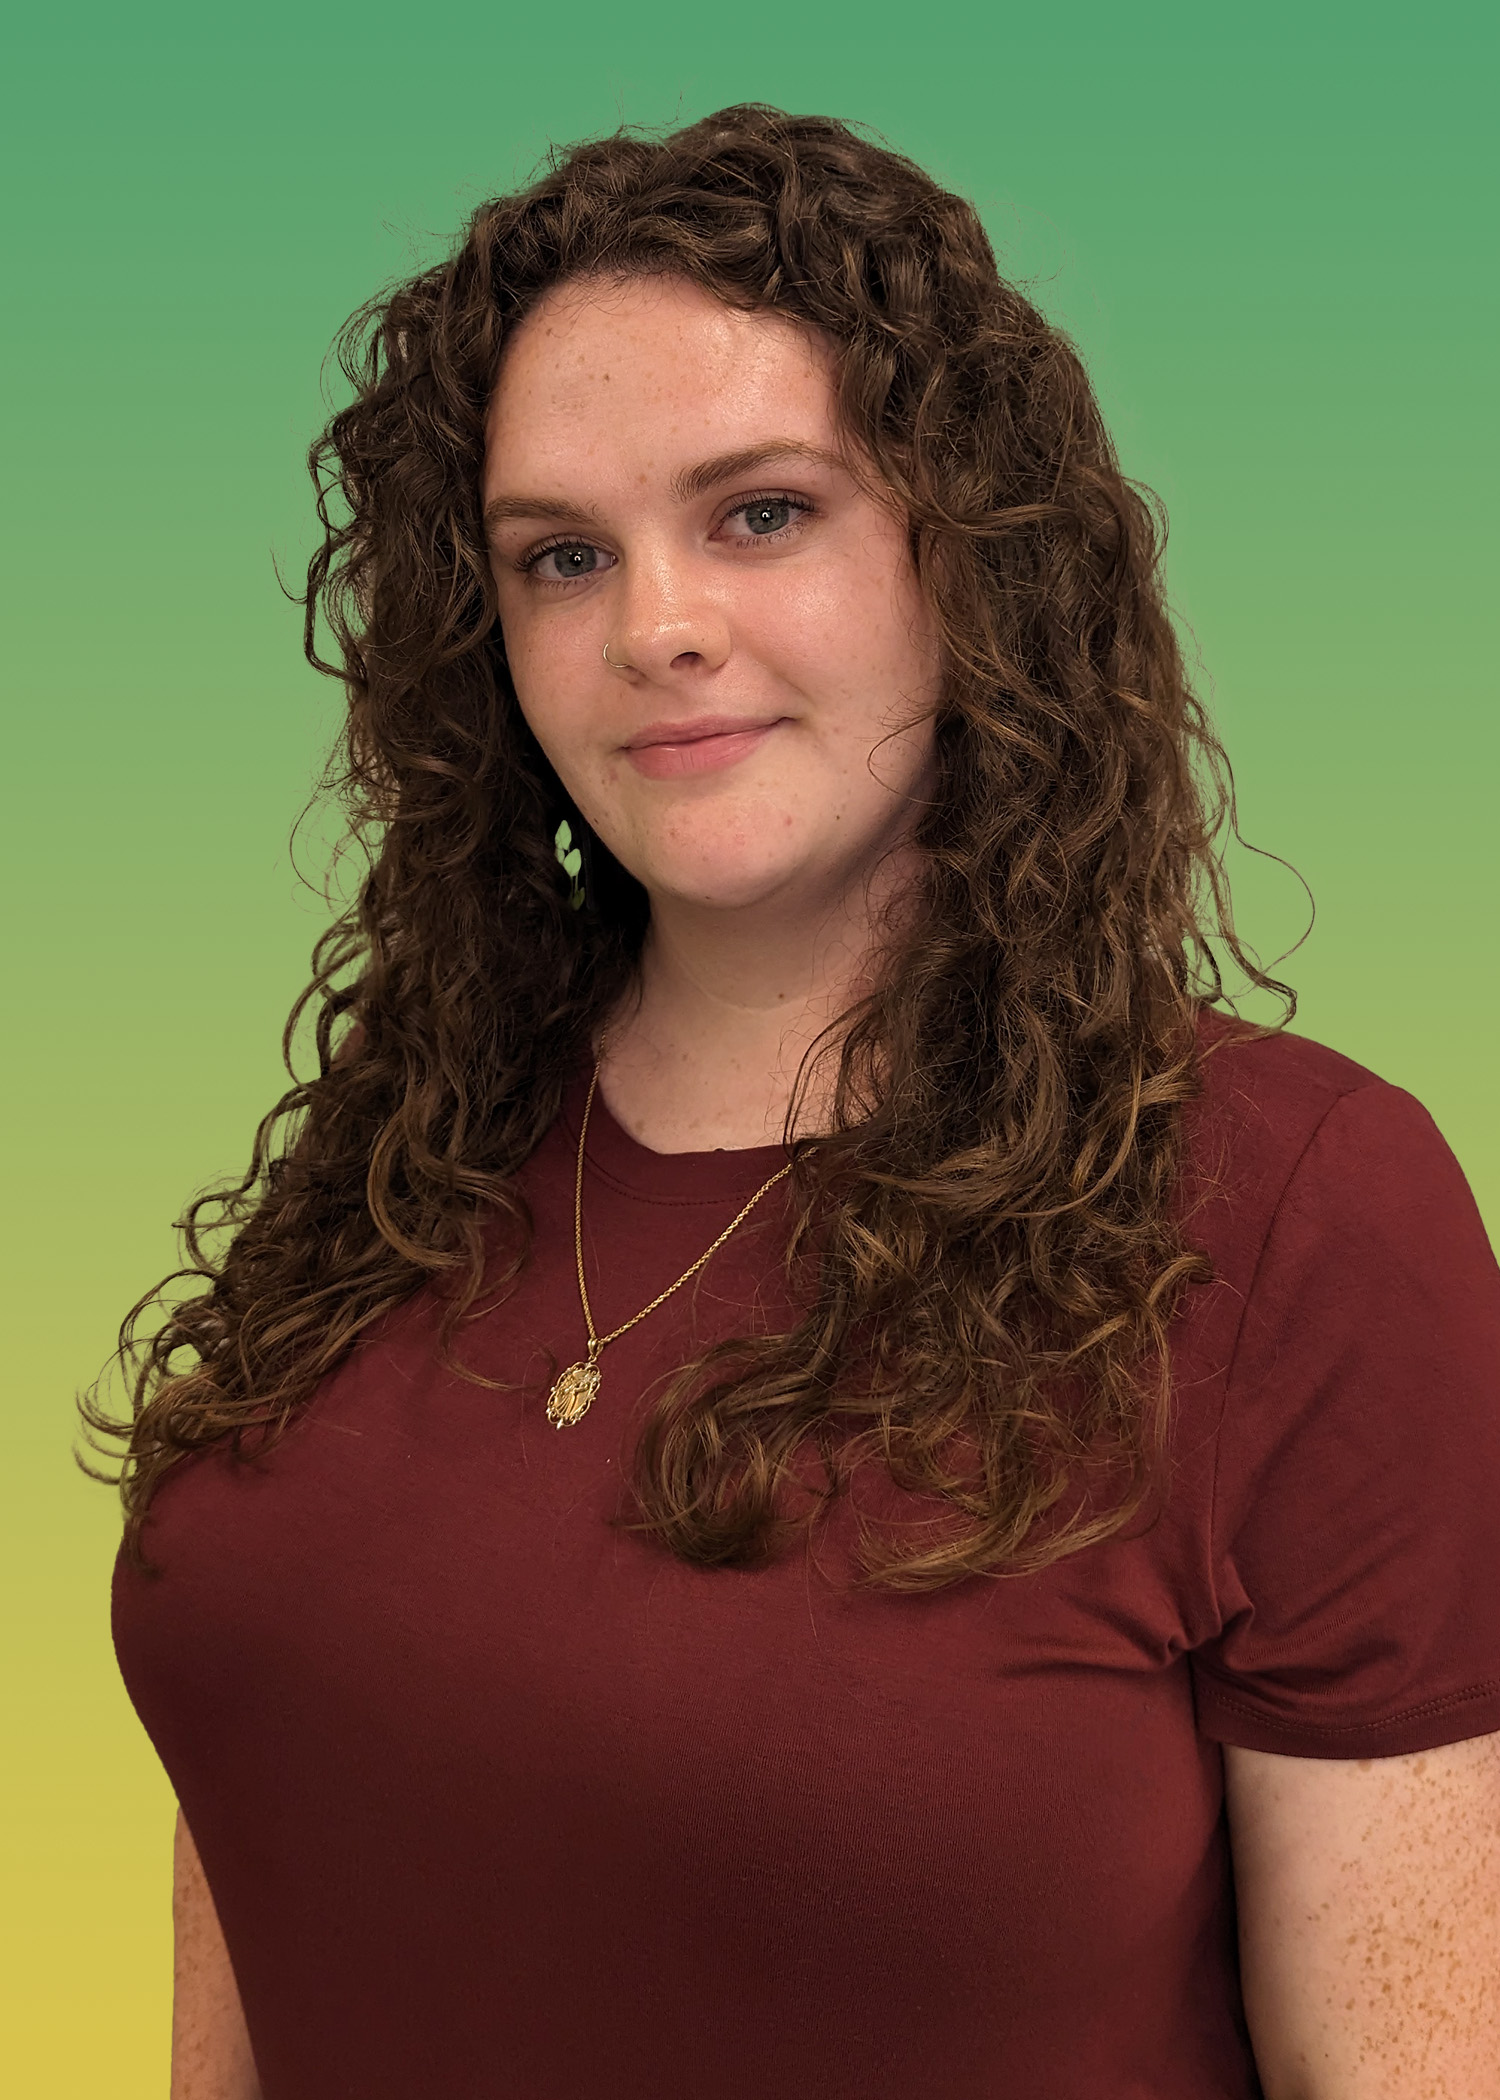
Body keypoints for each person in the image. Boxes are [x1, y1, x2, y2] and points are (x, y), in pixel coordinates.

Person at [98, 106, 1500, 2100]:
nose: (654, 623)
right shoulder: (407, 1153)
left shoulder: (1288, 1211)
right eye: (560, 555)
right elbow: (273, 1815)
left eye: (761, 511)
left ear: (973, 552)